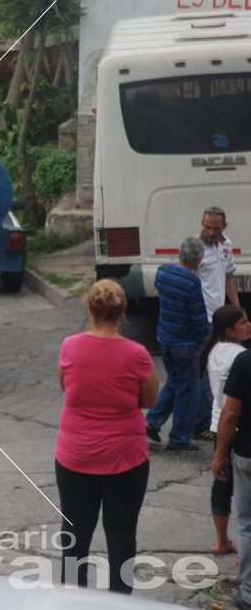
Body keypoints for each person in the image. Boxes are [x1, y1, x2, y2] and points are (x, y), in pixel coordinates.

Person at [55, 279, 158, 594]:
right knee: (122, 532)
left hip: (75, 455)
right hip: (125, 456)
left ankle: (71, 598)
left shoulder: (70, 346)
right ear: (123, 311)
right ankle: (120, 600)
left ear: (89, 308)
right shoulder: (137, 354)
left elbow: (65, 386)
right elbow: (149, 400)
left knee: (75, 533)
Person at [145, 237, 212, 450]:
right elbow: (199, 320)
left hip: (165, 339)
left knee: (174, 381)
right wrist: (210, 338)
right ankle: (180, 437)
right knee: (188, 390)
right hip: (186, 344)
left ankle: (152, 421)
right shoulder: (192, 283)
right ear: (198, 260)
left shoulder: (163, 272)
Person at [203, 306, 251, 556]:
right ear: (230, 331)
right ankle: (246, 549)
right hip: (237, 427)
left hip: (216, 425)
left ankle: (222, 540)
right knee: (245, 494)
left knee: (222, 483)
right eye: (244, 323)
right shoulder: (241, 356)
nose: (249, 325)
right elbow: (233, 411)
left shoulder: (214, 351)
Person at [196, 207, 242, 441]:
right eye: (207, 227)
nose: (210, 232)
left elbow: (227, 278)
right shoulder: (196, 248)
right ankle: (204, 421)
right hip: (202, 317)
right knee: (207, 369)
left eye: (215, 228)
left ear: (224, 226)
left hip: (220, 315)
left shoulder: (225, 245)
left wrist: (237, 309)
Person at [212, 344, 251, 610]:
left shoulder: (245, 360)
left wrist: (219, 454)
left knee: (247, 524)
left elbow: (230, 414)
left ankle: (249, 593)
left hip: (248, 453)